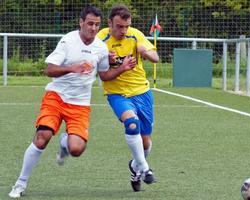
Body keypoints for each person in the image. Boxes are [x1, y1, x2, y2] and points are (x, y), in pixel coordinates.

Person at [9, 5, 136, 198]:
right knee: (43, 135)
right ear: (81, 22)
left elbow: (104, 75)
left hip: (80, 104)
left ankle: (65, 143)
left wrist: (122, 68)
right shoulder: (68, 41)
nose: (93, 28)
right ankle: (20, 183)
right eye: (90, 24)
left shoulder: (101, 48)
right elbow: (49, 70)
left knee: (76, 149)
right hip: (56, 97)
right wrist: (72, 68)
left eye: (97, 25)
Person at [97, 5, 159, 192]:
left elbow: (155, 58)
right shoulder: (101, 40)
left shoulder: (135, 35)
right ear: (110, 23)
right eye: (119, 26)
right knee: (132, 123)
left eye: (126, 26)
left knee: (146, 142)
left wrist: (145, 51)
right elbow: (104, 77)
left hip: (142, 92)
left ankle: (135, 166)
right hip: (118, 94)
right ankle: (146, 169)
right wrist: (113, 63)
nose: (123, 31)